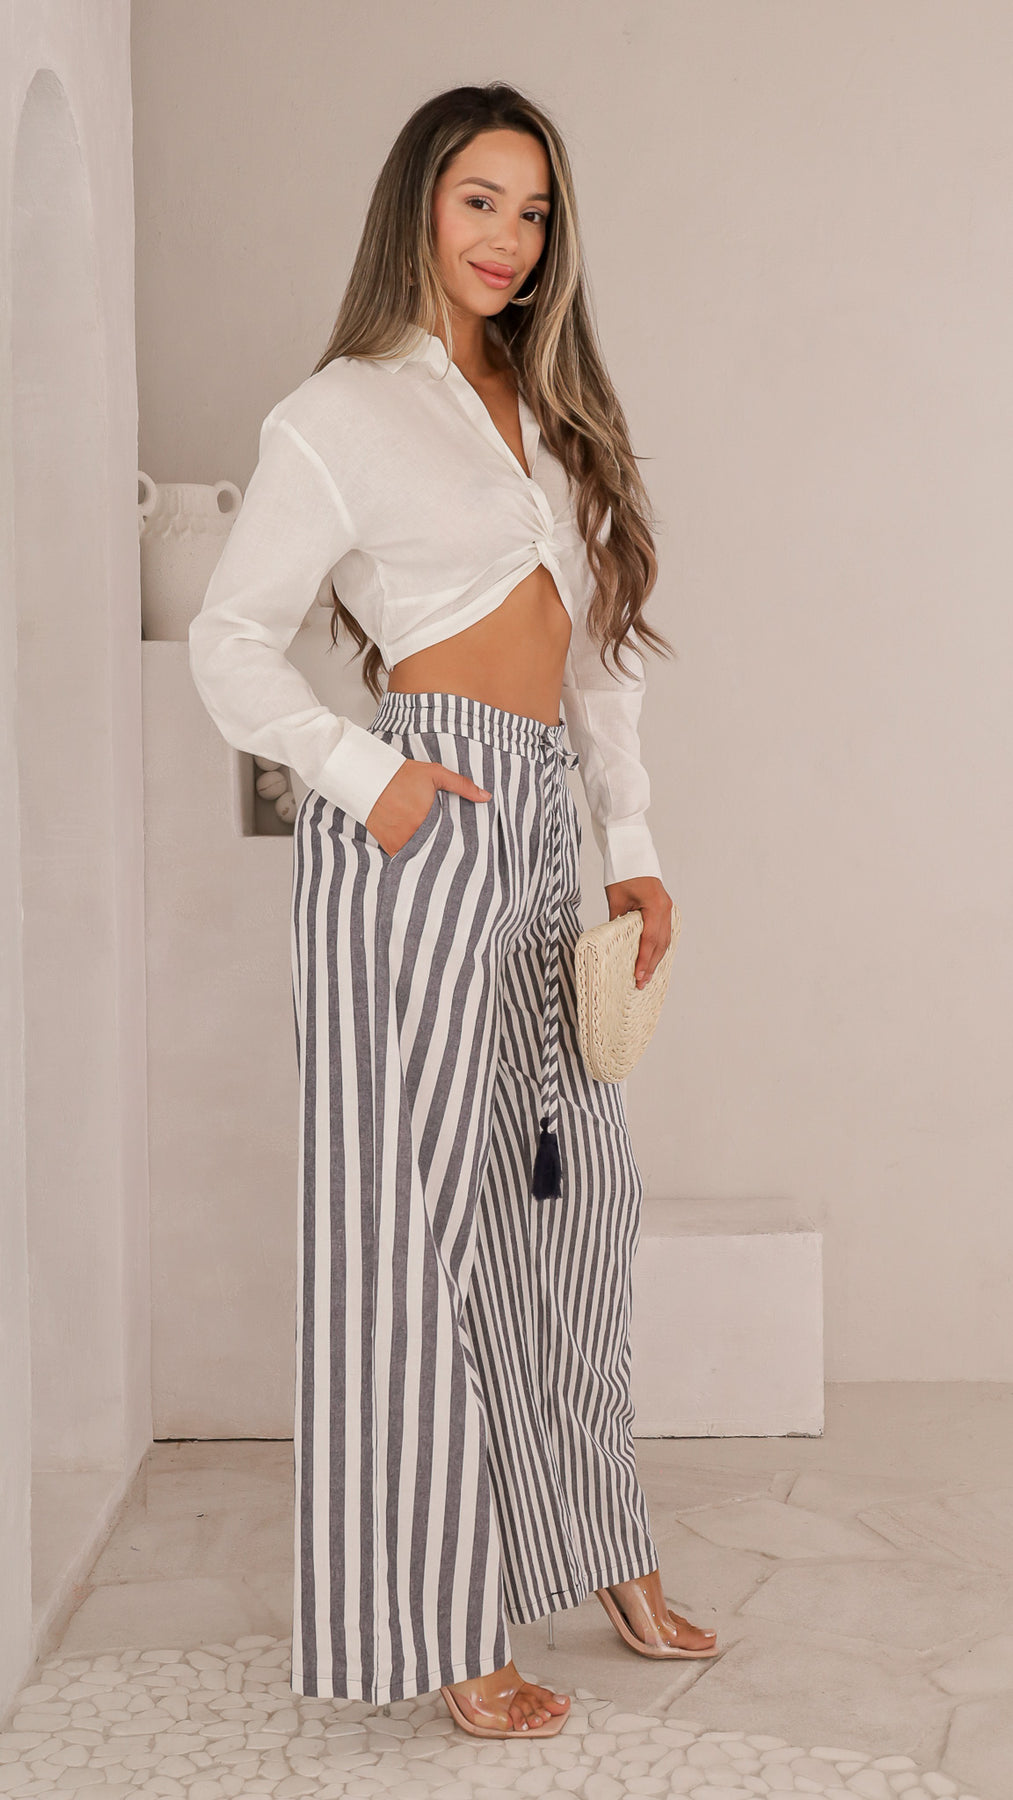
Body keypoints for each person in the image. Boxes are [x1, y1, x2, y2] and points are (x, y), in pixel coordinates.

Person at [188, 79, 718, 1742]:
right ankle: (437, 1624)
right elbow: (228, 642)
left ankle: (600, 1544)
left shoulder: (552, 416)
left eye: (534, 210)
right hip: (417, 831)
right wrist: (370, 775)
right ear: (417, 203)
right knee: (411, 1236)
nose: (509, 237)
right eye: (480, 199)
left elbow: (600, 658)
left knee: (573, 1207)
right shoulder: (338, 413)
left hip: (545, 824)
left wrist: (632, 841)